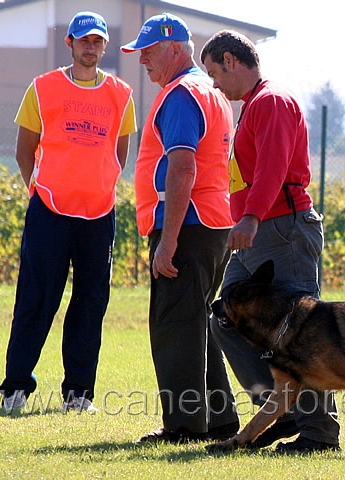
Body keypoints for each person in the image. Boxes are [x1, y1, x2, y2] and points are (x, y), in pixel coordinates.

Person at [201, 30, 341, 453]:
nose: (214, 84)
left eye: (213, 73)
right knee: (225, 317)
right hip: (256, 233)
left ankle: (319, 434)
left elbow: (273, 169)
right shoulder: (251, 106)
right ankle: (279, 411)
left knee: (302, 334)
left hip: (281, 229)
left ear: (231, 60)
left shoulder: (271, 101)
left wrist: (250, 216)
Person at [0, 11, 136, 413]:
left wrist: (97, 185)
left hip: (99, 215)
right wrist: (39, 192)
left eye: (97, 41)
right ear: (70, 44)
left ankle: (78, 394)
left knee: (91, 303)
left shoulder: (121, 93)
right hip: (50, 212)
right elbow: (26, 150)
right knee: (36, 300)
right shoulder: (43, 88)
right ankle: (15, 389)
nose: (90, 48)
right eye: (83, 41)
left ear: (105, 46)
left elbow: (119, 153)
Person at [120, 13, 240, 443]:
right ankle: (220, 420)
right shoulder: (211, 91)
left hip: (187, 224)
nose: (142, 61)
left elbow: (182, 166)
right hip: (213, 223)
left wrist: (167, 240)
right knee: (197, 322)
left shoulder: (181, 94)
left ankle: (185, 427)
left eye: (148, 52)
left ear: (174, 49)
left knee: (175, 325)